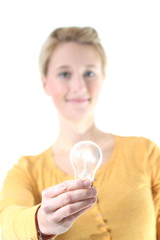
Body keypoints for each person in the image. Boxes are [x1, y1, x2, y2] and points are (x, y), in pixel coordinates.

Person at [0, 26, 160, 240]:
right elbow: (7, 223)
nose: (79, 86)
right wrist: (41, 221)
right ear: (45, 82)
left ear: (103, 77)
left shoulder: (145, 153)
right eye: (65, 73)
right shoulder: (26, 172)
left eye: (89, 73)